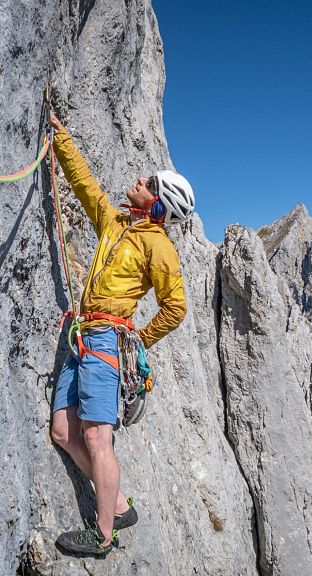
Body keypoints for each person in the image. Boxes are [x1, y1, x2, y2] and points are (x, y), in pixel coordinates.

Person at [49, 112, 194, 556]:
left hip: (106, 343)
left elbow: (176, 308)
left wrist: (138, 340)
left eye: (149, 182)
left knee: (96, 437)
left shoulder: (159, 247)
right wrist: (61, 136)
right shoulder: (116, 224)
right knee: (61, 431)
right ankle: (120, 503)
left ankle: (103, 535)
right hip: (82, 338)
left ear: (157, 203)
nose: (139, 180)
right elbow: (86, 186)